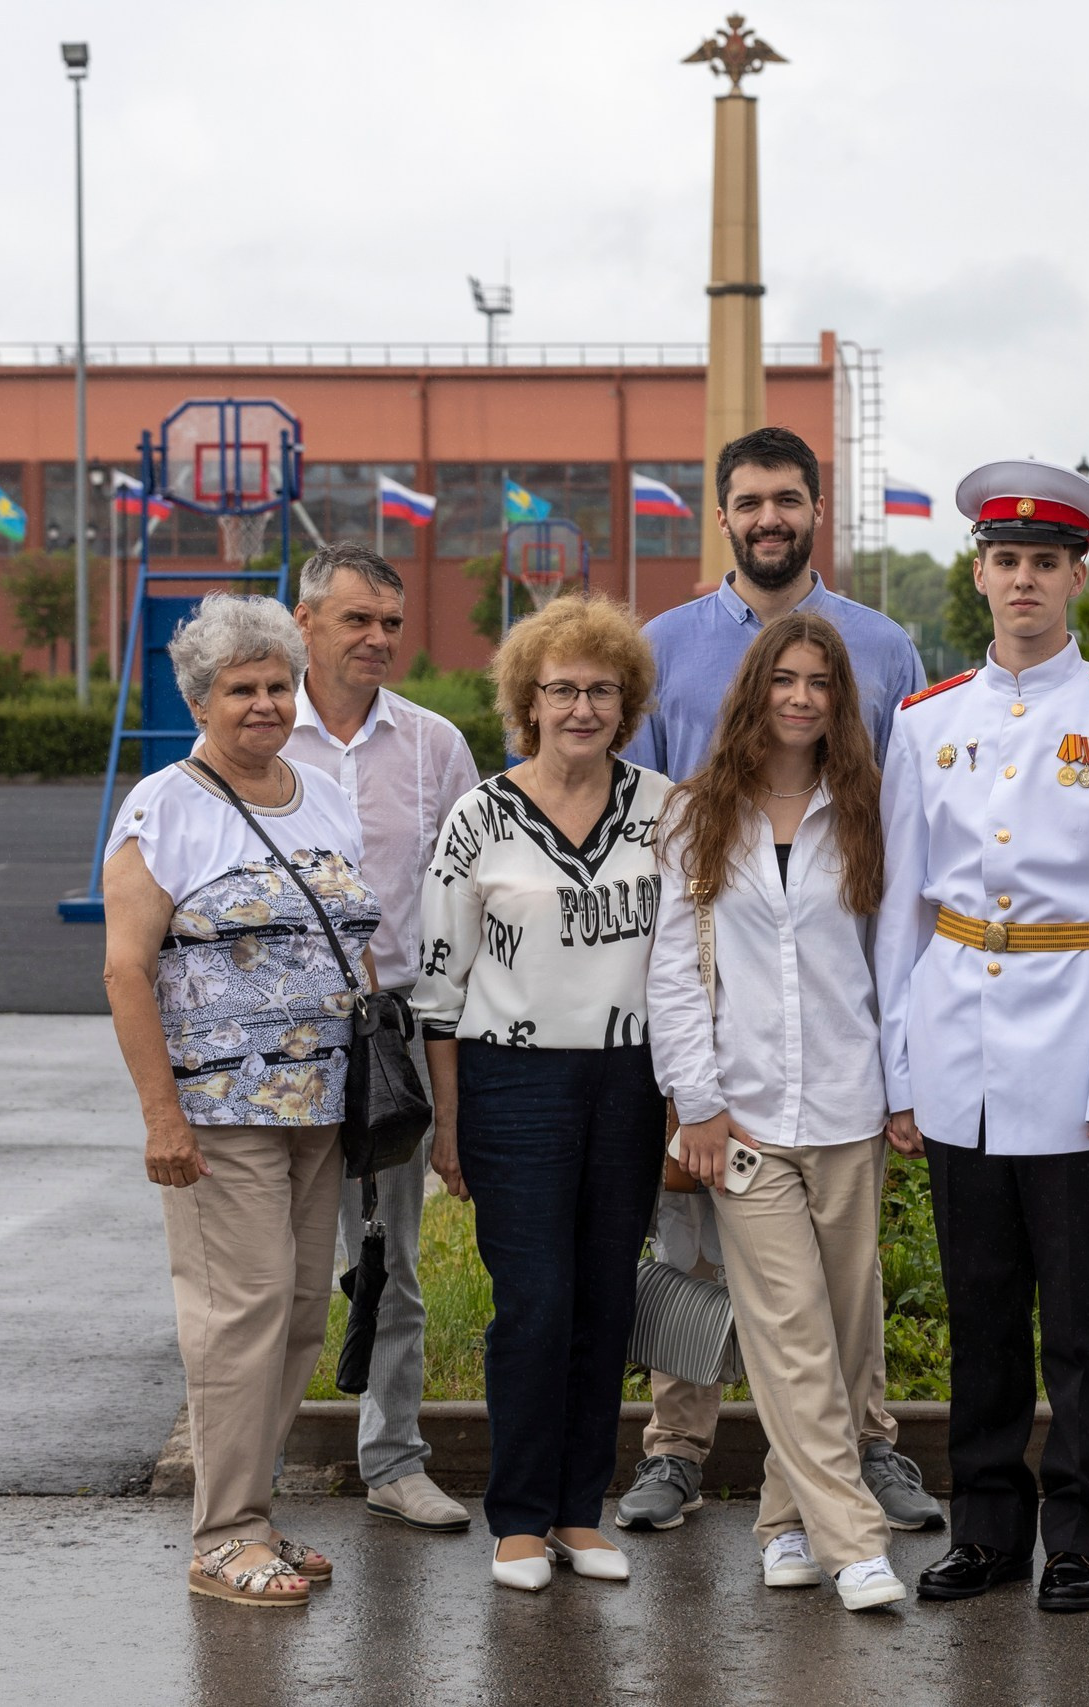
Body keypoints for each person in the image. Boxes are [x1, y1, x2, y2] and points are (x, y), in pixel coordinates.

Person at [877, 460, 1089, 1613]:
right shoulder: (926, 722)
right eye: (1005, 561)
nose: (1024, 580)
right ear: (978, 574)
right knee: (978, 1312)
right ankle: (984, 1527)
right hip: (958, 1046)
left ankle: (1078, 1532)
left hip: (1080, 1055)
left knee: (1078, 1318)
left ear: (1075, 578)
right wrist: (899, 1075)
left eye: (1045, 564)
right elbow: (900, 909)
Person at [617, 423, 939, 1536]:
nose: (768, 518)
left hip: (830, 977)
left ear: (815, 509)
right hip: (708, 970)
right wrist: (675, 1065)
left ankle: (864, 1443)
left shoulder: (883, 650)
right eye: (748, 500)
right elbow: (646, 829)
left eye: (787, 500)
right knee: (690, 1238)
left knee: (840, 1262)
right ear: (721, 515)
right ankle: (676, 1440)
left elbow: (895, 835)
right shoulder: (661, 648)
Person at [101, 593, 380, 1609]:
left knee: (299, 1314)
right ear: (200, 701)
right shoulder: (161, 808)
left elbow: (354, 938)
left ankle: (254, 1511)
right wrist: (160, 1116)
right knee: (238, 1315)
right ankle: (223, 1534)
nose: (264, 704)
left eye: (275, 684)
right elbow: (125, 971)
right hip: (221, 1117)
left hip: (321, 1107)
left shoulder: (322, 793)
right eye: (240, 689)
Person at [646, 611, 910, 1612]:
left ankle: (782, 1519)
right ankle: (855, 1542)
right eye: (783, 679)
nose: (800, 697)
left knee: (840, 1335)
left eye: (820, 683)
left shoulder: (869, 809)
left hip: (849, 1107)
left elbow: (895, 962)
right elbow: (673, 973)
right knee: (792, 1332)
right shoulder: (696, 815)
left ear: (841, 701)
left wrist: (905, 1089)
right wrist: (699, 1103)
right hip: (746, 1118)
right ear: (754, 690)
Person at [412, 594, 670, 1593]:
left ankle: (579, 1510)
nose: (580, 707)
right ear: (528, 699)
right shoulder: (480, 815)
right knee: (532, 1302)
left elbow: (693, 959)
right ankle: (518, 1519)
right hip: (510, 1079)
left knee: (605, 1297)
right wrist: (450, 1120)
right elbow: (440, 985)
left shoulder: (665, 807)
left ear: (626, 700)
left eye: (600, 689)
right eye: (560, 688)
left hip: (630, 1078)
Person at [283, 542, 481, 1536]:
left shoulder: (436, 747)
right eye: (358, 620)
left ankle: (393, 1457)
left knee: (391, 1258)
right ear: (304, 622)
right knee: (275, 1267)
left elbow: (469, 899)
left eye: (392, 624)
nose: (378, 640)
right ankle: (249, 1472)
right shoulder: (260, 734)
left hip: (390, 1039)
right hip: (277, 1042)